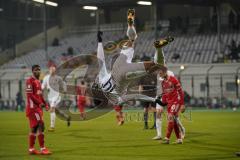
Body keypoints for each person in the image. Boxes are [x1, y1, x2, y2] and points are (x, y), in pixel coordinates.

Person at [95, 8, 174, 106]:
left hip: (125, 74)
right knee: (132, 39)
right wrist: (99, 41)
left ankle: (158, 48)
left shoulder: (114, 100)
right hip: (118, 64)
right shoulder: (101, 80)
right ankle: (130, 24)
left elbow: (135, 96)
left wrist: (154, 100)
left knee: (158, 65)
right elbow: (100, 60)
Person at [25, 65, 51, 155]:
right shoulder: (29, 81)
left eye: (39, 70)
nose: (38, 71)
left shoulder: (38, 82)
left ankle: (31, 149)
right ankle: (43, 148)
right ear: (32, 71)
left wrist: (45, 103)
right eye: (36, 70)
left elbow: (40, 95)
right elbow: (30, 95)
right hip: (33, 109)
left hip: (38, 109)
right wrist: (40, 103)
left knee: (34, 128)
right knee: (41, 125)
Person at [155, 67, 185, 144]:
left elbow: (181, 92)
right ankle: (179, 139)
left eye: (160, 73)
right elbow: (165, 98)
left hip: (176, 102)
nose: (159, 75)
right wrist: (158, 100)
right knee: (174, 121)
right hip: (170, 104)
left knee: (170, 117)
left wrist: (182, 104)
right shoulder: (163, 83)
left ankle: (167, 138)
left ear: (165, 72)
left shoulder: (173, 79)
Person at [42, 64, 69, 132]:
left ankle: (52, 127)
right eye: (51, 69)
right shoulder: (46, 78)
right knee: (56, 111)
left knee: (52, 109)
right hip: (50, 97)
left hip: (56, 96)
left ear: (55, 71)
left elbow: (63, 84)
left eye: (53, 70)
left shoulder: (58, 78)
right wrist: (40, 89)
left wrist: (64, 90)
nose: (52, 71)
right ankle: (67, 117)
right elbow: (43, 85)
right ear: (49, 70)